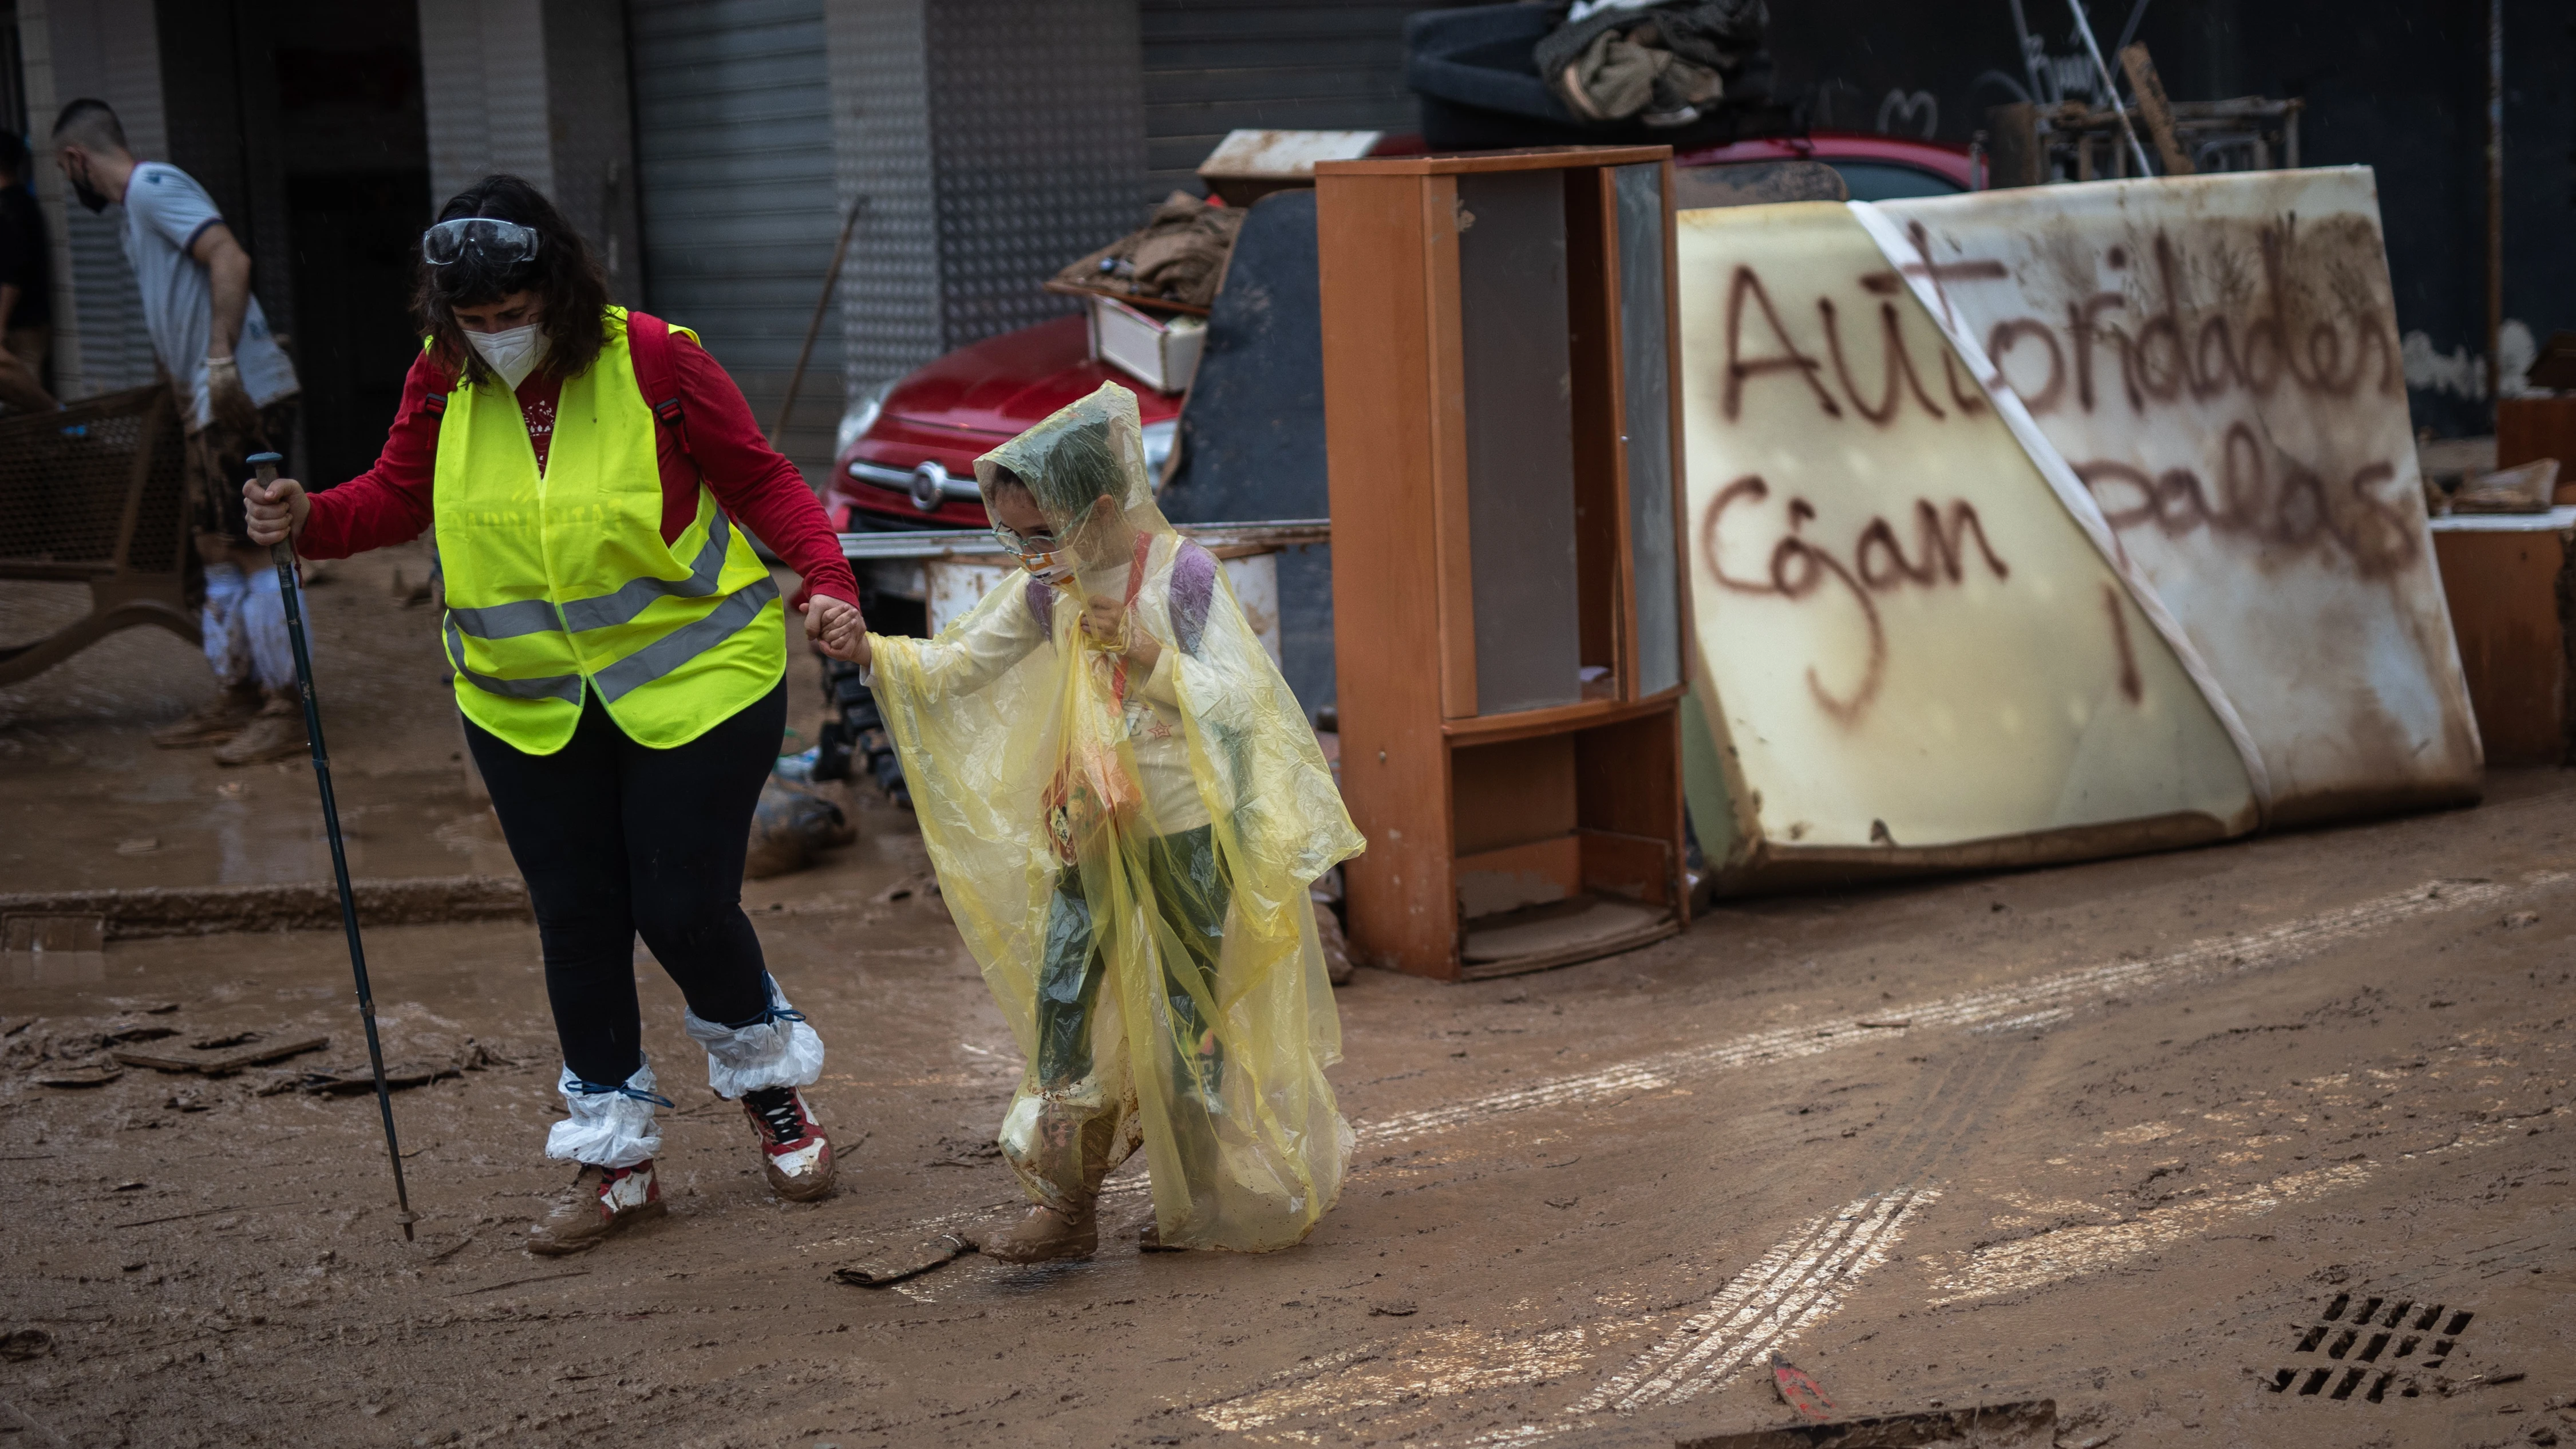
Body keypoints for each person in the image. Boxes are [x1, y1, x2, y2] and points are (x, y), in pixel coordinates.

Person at [242, 175, 870, 1255]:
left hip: (699, 681)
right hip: (525, 702)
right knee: (577, 920)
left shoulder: (657, 361)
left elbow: (762, 480)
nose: (497, 338)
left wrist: (828, 582)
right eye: (474, 322)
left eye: (514, 316)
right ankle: (615, 1159)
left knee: (681, 908)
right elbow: (395, 498)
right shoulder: (442, 382)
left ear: (560, 288)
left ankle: (771, 1088)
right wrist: (306, 517)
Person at [855, 382, 1360, 1261]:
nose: (1028, 553)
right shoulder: (1044, 593)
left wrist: (1151, 656)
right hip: (1084, 832)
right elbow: (955, 668)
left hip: (1183, 834)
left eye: (1042, 532)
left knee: (1187, 1018)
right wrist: (867, 649)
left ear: (1097, 508)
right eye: (1013, 535)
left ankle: (1200, 1196)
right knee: (1062, 1012)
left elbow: (1251, 704)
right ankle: (1067, 1207)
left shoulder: (1184, 578)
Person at [52, 98, 305, 763]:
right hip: (206, 400)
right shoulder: (136, 223)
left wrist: (220, 360)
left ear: (76, 159)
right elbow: (173, 313)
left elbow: (231, 257)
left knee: (253, 548)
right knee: (215, 547)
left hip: (241, 391)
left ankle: (288, 706)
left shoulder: (154, 186)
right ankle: (239, 694)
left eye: (63, 169)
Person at [0, 129, 60, 413]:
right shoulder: (19, 203)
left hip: (22, 324)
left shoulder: (13, 207)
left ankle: (49, 450)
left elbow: (14, 272)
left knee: (28, 403)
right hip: (20, 322)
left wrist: (0, 323)